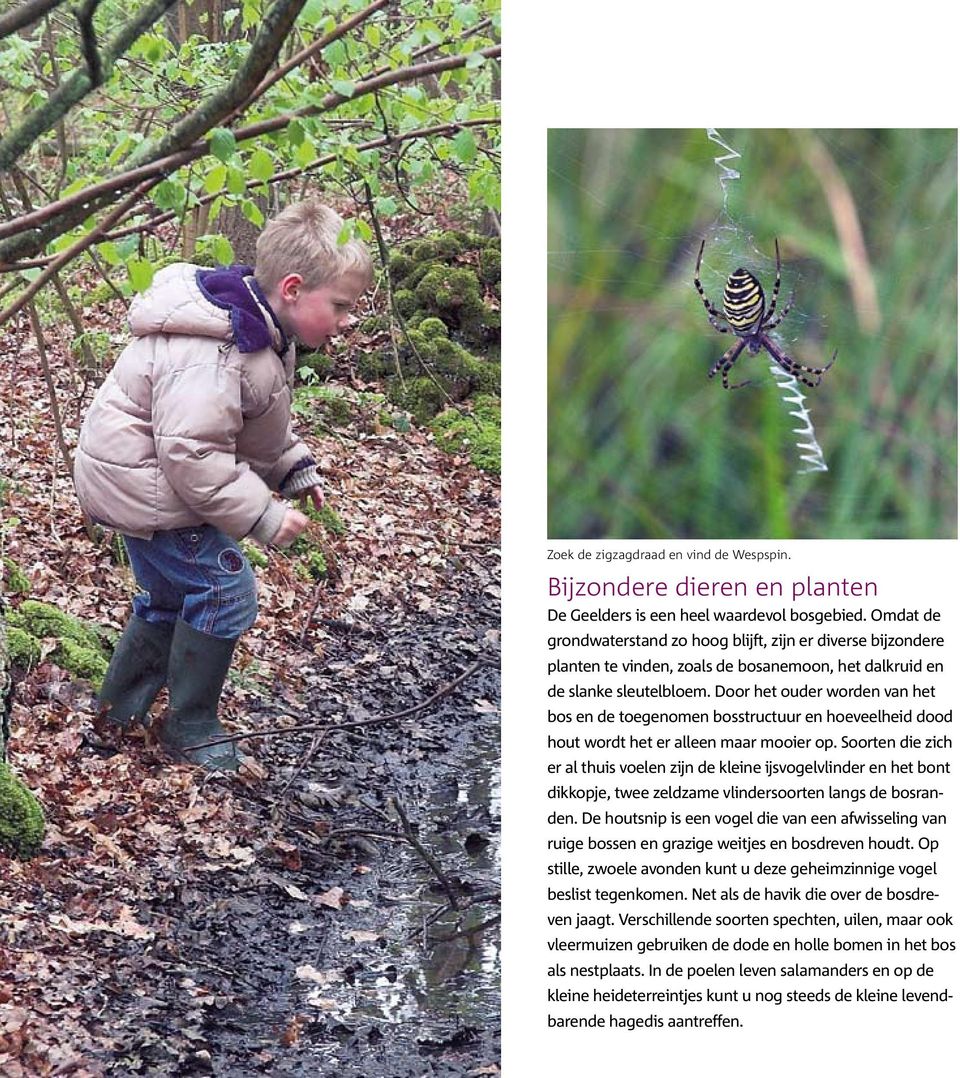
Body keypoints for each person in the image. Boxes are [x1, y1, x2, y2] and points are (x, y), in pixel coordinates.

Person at [74, 201, 372, 771]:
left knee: (168, 598)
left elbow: (250, 422)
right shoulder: (218, 347)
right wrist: (261, 513)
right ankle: (190, 727)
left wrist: (293, 466)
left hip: (143, 482)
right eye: (339, 306)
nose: (344, 321)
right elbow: (192, 451)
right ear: (291, 288)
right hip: (150, 489)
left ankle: (116, 714)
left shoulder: (259, 331)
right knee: (224, 593)